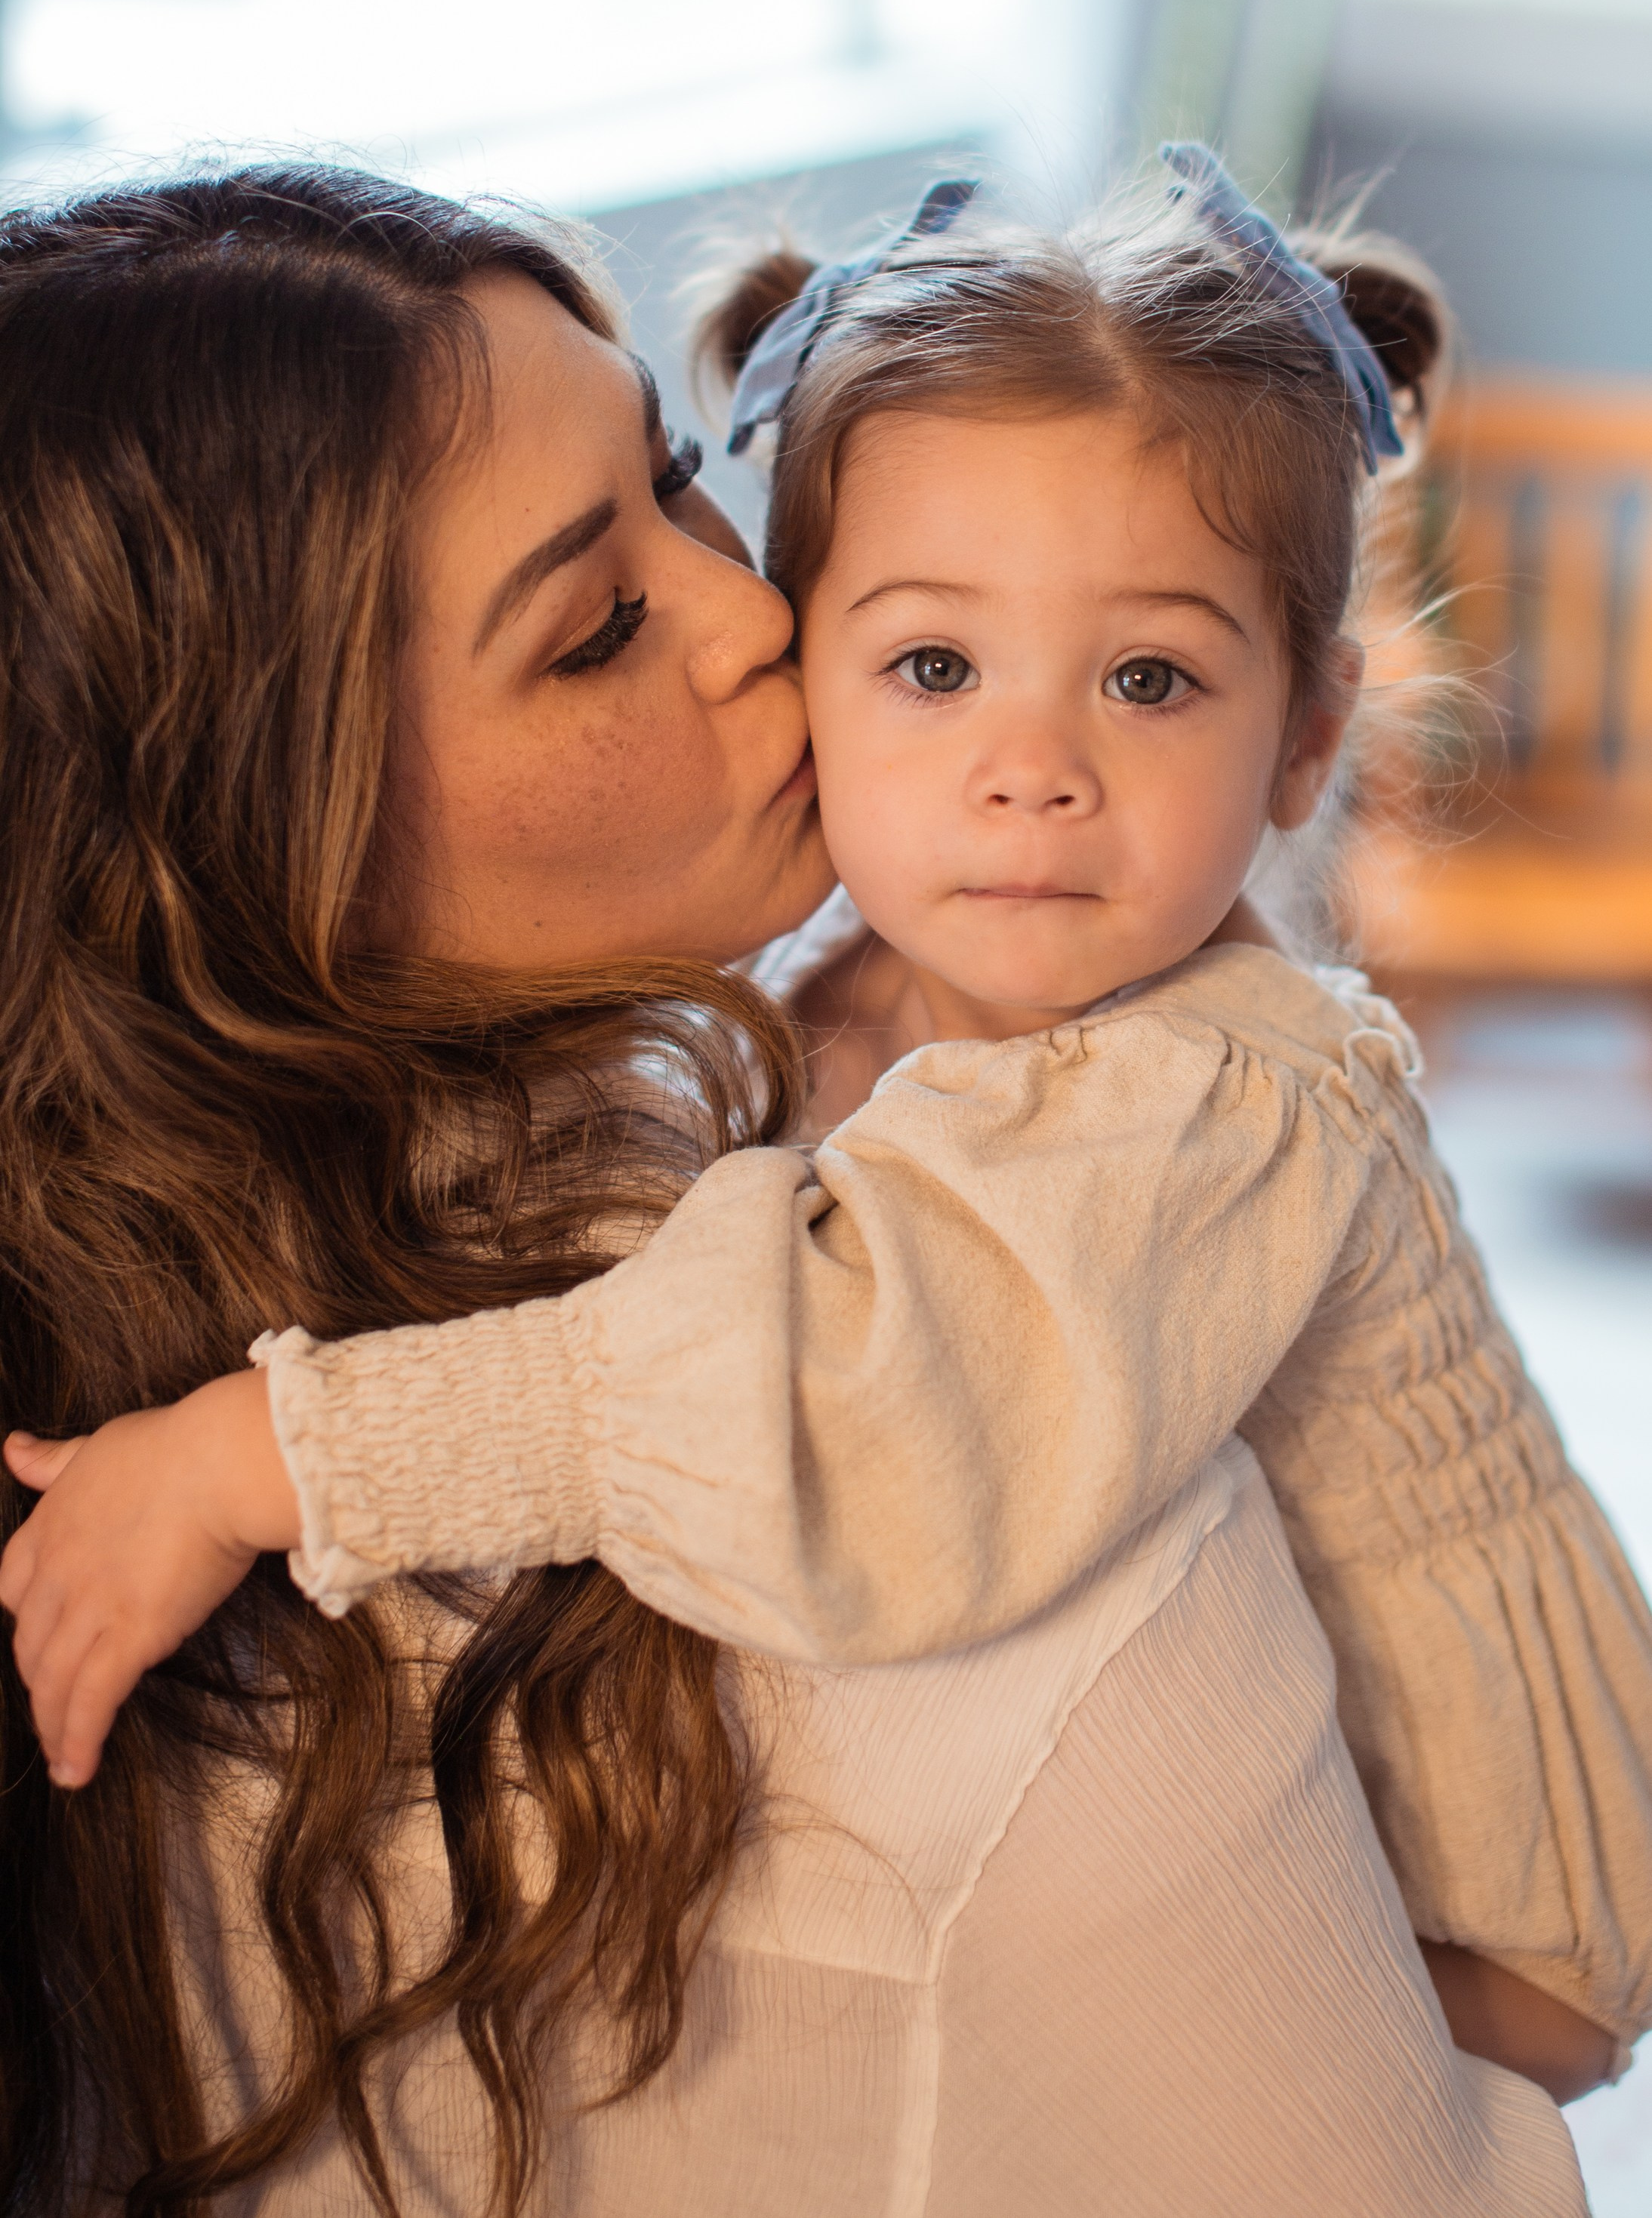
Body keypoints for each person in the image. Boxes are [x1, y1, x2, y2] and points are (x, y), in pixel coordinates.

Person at [0, 159, 1635, 2215]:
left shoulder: (1195, 1095)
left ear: (1308, 736)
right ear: (265, 834)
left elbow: (863, 1402)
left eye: (681, 479)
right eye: (599, 624)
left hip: (1486, 1867)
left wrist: (280, 1451)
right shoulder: (807, 1010)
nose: (756, 614)